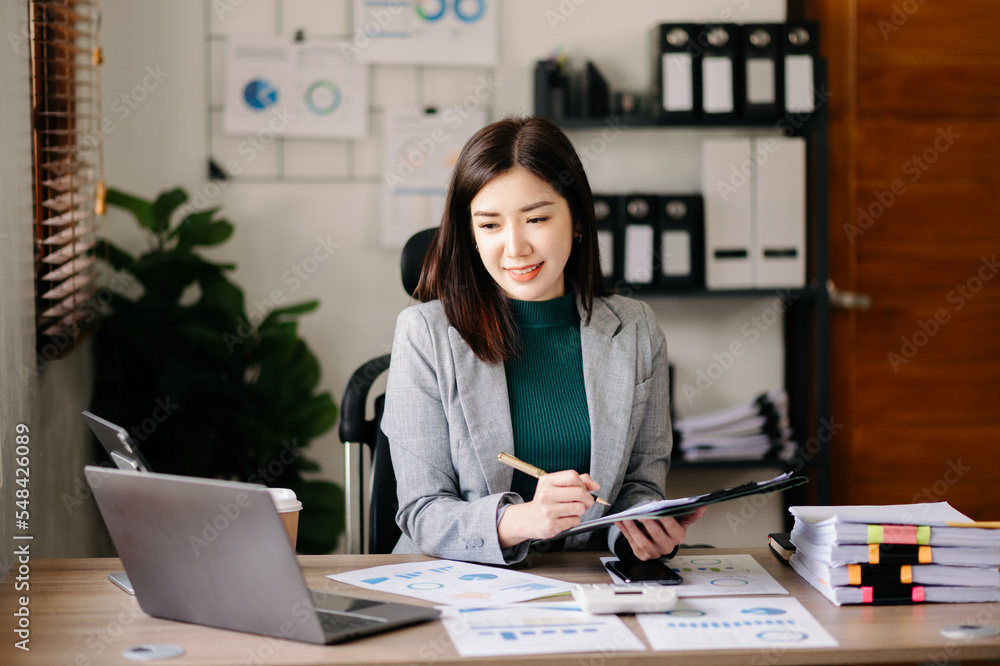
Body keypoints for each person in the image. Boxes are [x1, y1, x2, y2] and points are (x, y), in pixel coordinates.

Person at [382, 116, 704, 566]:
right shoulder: (424, 334)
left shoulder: (634, 328)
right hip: (458, 585)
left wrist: (638, 533)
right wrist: (525, 520)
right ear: (471, 234)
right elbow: (422, 512)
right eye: (490, 225)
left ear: (575, 219)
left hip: (587, 588)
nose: (515, 248)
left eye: (535, 218)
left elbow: (638, 487)